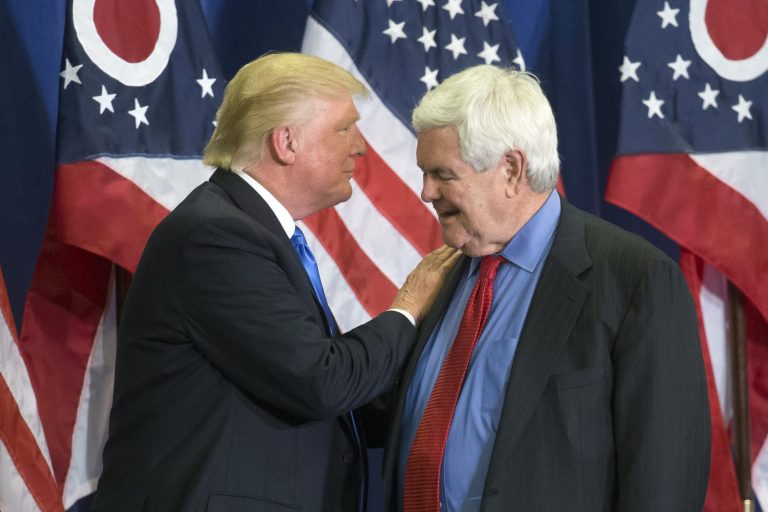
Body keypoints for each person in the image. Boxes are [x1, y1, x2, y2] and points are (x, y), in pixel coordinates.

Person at [90, 53, 459, 512]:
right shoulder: (218, 237)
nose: (361, 147)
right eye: (344, 128)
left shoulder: (253, 232)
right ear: (286, 142)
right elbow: (321, 381)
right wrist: (410, 305)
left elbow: (327, 395)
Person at [383, 65, 711, 512]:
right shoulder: (441, 278)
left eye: (443, 174)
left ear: (512, 169)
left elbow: (663, 485)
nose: (425, 192)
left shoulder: (634, 278)